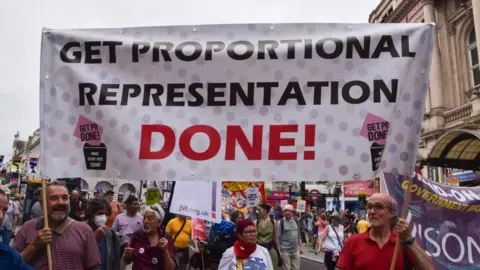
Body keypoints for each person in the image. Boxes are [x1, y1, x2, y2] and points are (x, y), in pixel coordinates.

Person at [13, 181, 101, 270]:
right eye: (54, 198)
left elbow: (93, 267)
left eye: (65, 198)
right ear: (42, 204)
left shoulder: (84, 230)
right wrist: (34, 246)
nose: (61, 203)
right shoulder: (27, 228)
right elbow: (10, 264)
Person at [336, 193, 433, 270]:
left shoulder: (404, 242)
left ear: (392, 212)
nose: (372, 211)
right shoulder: (353, 242)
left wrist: (409, 240)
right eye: (369, 207)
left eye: (378, 207)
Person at [124, 204, 176, 270]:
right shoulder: (137, 235)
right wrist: (128, 255)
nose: (145, 221)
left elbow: (171, 268)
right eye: (144, 218)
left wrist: (165, 251)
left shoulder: (166, 237)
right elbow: (127, 261)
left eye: (150, 218)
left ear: (159, 222)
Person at [86, 198, 121, 270]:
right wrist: (95, 238)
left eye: (106, 214)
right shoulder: (80, 230)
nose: (103, 217)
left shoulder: (111, 234)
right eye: (100, 213)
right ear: (91, 214)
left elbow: (116, 262)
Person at [0, 189, 31, 269]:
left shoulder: (8, 254)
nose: (1, 216)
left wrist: (14, 227)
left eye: (4, 210)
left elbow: (15, 216)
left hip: (7, 227)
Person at [256, 203, 281, 270]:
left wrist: (278, 251)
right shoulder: (256, 222)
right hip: (259, 250)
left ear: (265, 210)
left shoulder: (273, 222)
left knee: (273, 267)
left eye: (259, 210)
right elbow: (255, 238)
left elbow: (276, 238)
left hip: (270, 249)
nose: (257, 212)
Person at [278, 204, 303, 270]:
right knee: (287, 268)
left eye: (289, 211)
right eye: (285, 211)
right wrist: (279, 250)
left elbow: (299, 236)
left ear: (292, 212)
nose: (287, 212)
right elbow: (278, 238)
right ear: (283, 213)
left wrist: (301, 247)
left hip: (295, 249)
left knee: (296, 268)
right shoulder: (280, 223)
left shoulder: (296, 221)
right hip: (285, 250)